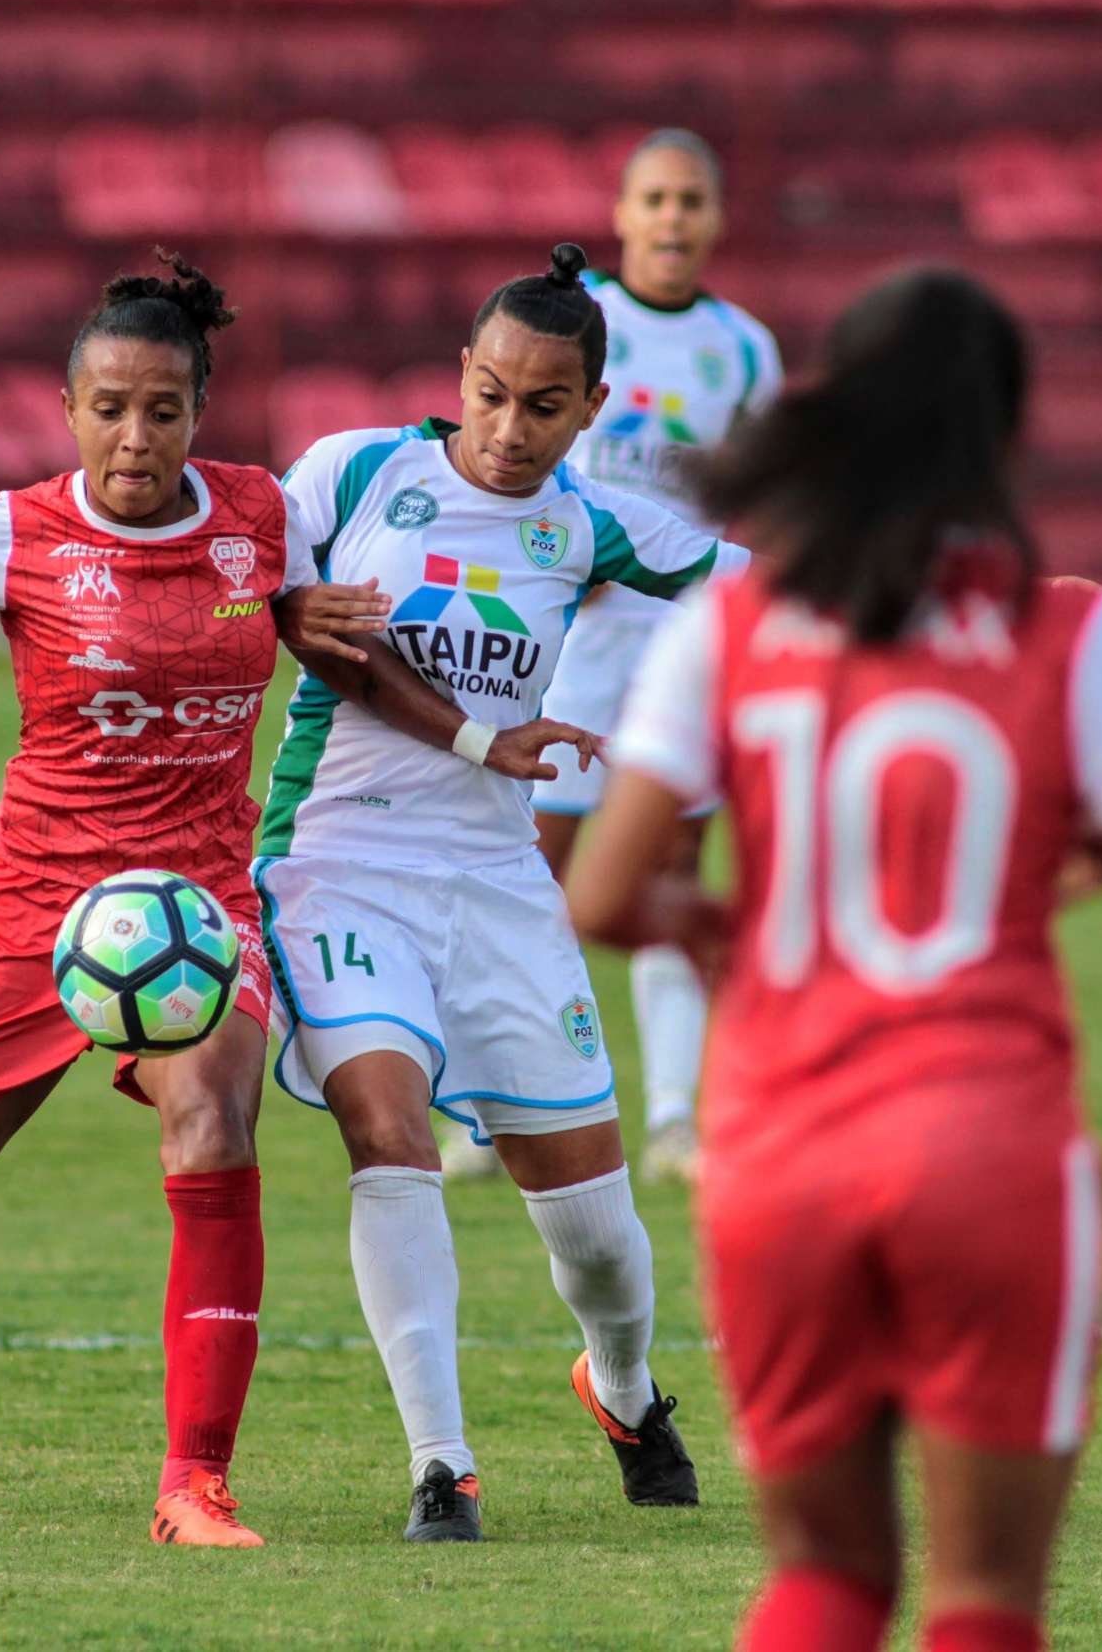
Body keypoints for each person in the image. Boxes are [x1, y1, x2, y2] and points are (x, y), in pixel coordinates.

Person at [565, 266, 1102, 1652]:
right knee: (986, 1602)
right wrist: (1095, 848)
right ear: (1005, 439)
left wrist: (709, 924)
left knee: (824, 1582)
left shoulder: (736, 623)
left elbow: (601, 887)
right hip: (988, 1149)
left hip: (779, 1152)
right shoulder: (1073, 628)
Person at [0, 252, 391, 1549]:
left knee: (215, 1124)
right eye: (111, 407)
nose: (137, 436)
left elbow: (301, 607)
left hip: (197, 896)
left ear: (200, 411)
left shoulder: (260, 516)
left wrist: (331, 627)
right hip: (35, 904)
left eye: (165, 409)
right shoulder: (9, 533)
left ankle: (195, 1481)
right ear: (69, 410)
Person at [260, 242, 742, 1543]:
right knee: (391, 1132)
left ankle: (626, 1387)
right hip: (338, 864)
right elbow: (234, 573)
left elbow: (790, 591)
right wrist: (284, 601)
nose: (508, 425)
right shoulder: (352, 472)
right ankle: (441, 1465)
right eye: (489, 391)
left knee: (593, 1232)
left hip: (496, 885)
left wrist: (1013, 603)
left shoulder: (592, 522)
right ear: (460, 375)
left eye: (543, 405)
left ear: (593, 410)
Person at [446, 128, 785, 1188]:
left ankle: (678, 1118)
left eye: (691, 199)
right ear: (624, 213)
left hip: (684, 643)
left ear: (714, 217)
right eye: (655, 199)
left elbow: (759, 489)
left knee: (675, 867)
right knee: (535, 871)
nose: (673, 219)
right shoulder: (576, 322)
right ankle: (499, 1111)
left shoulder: (743, 349)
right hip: (573, 645)